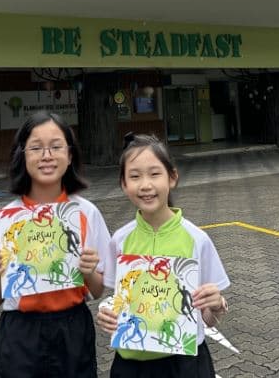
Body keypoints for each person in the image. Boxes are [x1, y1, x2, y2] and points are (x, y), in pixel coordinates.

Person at [0, 111, 111, 378]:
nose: (46, 155)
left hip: (73, 330)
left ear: (70, 155)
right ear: (22, 156)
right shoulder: (5, 219)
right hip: (19, 334)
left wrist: (87, 270)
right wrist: (3, 274)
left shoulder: (86, 213)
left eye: (56, 147)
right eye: (36, 148)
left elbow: (97, 291)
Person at [96, 133, 230, 378]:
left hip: (185, 364)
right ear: (124, 184)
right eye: (134, 176)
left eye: (154, 174)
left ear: (172, 178)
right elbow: (118, 300)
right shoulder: (120, 240)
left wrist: (217, 305)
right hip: (131, 365)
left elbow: (208, 319)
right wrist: (107, 312)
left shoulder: (197, 239)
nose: (145, 184)